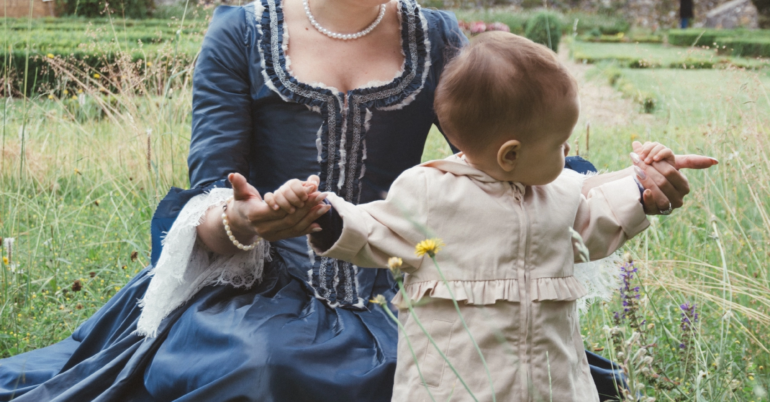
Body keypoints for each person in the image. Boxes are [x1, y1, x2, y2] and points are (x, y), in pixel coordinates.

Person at [0, 0, 715, 400]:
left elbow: (518, 150)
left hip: (399, 283)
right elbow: (210, 200)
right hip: (259, 294)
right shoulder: (239, 38)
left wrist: (634, 186)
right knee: (264, 368)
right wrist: (249, 220)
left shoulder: (435, 38)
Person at [270, 32, 707, 401]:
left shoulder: (557, 194)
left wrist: (642, 189)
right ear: (510, 154)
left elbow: (595, 221)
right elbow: (375, 229)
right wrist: (325, 214)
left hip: (551, 385)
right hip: (456, 388)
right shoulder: (430, 193)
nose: (568, 154)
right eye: (560, 144)